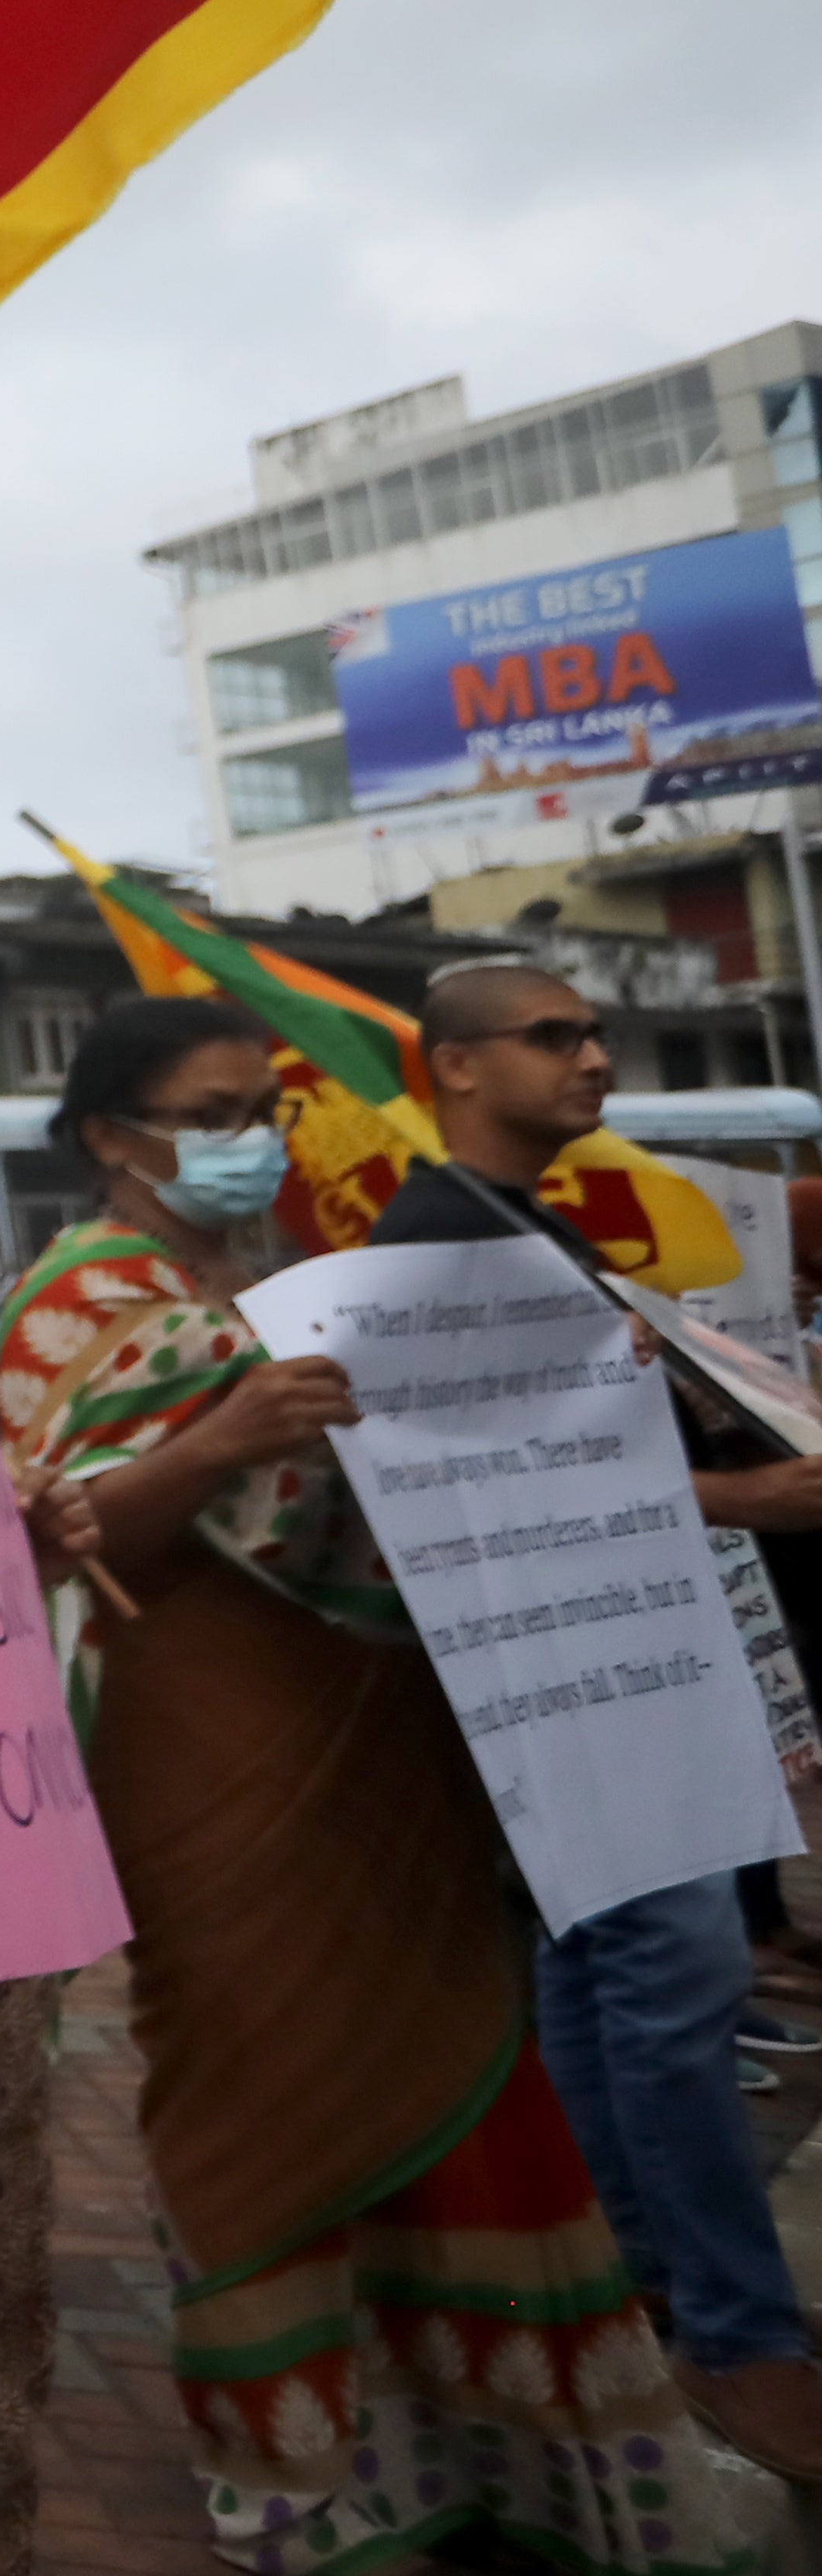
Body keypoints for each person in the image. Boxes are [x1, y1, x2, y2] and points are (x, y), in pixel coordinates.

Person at [0, 990, 772, 2566]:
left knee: (456, 2073)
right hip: (213, 1762)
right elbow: (64, 1542)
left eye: (259, 1110)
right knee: (257, 2096)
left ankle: (498, 2446)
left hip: (388, 1759)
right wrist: (218, 1441)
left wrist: (578, 1384)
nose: (251, 1142)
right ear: (111, 1136)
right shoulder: (78, 1300)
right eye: (212, 1115)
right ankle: (288, 2472)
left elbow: (434, 1480)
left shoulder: (274, 1286)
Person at [366, 960, 822, 2487]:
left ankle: (630, 2283)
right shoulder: (432, 1240)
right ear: (456, 1064)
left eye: (599, 1031)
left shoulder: (524, 1225)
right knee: (672, 1977)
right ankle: (739, 2331)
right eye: (555, 1035)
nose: (597, 1058)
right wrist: (740, 1492)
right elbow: (456, 1489)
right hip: (560, 1672)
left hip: (615, 1657)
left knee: (605, 1975)